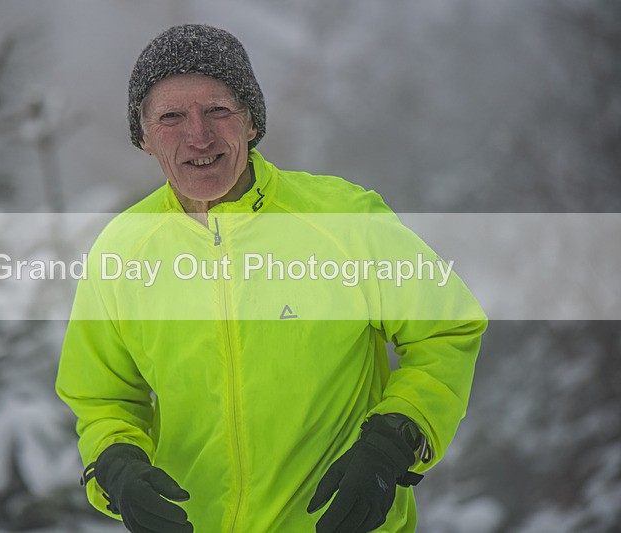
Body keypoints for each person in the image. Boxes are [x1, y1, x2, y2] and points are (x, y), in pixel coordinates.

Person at [56, 24, 487, 533]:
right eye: (171, 117)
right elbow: (102, 396)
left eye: (218, 110)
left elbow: (445, 329)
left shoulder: (341, 220)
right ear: (145, 138)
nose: (199, 136)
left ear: (252, 123)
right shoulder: (124, 249)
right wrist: (115, 463)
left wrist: (395, 438)